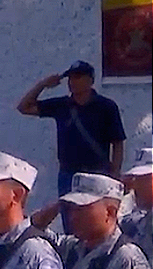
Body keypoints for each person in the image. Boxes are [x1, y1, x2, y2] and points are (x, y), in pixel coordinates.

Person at [17, 60, 126, 194]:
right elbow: (24, 107)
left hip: (98, 174)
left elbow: (117, 143)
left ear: (90, 80)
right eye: (70, 77)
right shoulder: (62, 105)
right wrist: (43, 85)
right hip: (69, 175)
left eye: (78, 77)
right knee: (70, 214)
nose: (72, 81)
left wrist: (115, 174)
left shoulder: (106, 106)